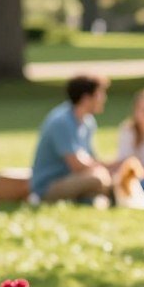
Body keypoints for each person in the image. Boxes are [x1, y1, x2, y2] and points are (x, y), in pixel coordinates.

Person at [30, 75, 113, 204]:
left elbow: (91, 159)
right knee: (99, 179)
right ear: (86, 99)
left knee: (104, 176)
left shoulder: (88, 122)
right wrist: (108, 168)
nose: (104, 98)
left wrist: (113, 167)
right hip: (49, 186)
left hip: (74, 179)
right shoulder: (61, 122)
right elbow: (76, 165)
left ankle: (90, 200)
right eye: (100, 94)